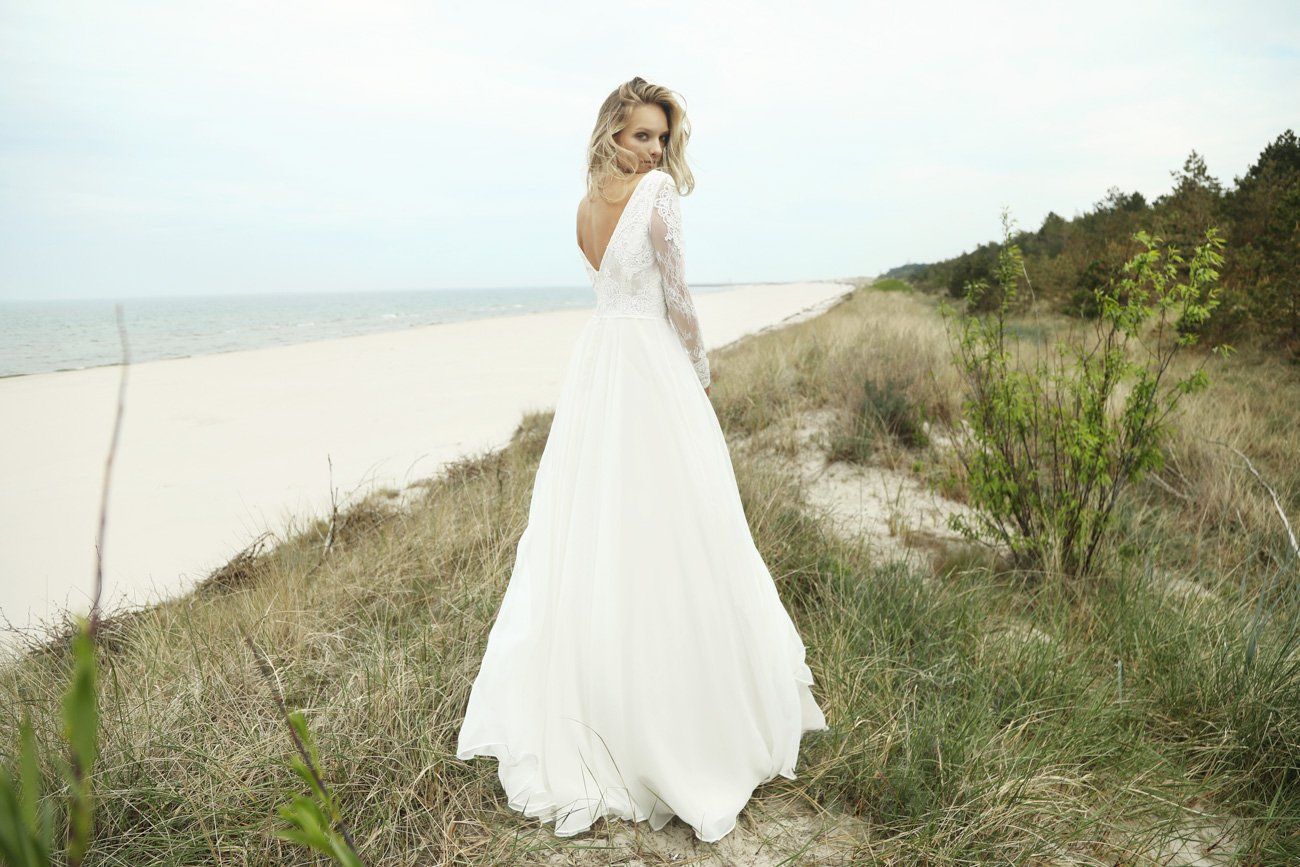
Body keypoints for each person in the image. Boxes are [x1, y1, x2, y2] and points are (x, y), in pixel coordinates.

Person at [455, 76, 828, 843]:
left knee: (601, 525)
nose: (655, 150)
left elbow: (612, 284)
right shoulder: (656, 193)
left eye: (662, 137)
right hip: (647, 364)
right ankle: (673, 721)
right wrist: (699, 368)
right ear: (611, 135)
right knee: (671, 522)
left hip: (598, 366)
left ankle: (603, 711)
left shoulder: (585, 207)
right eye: (641, 136)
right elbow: (678, 293)